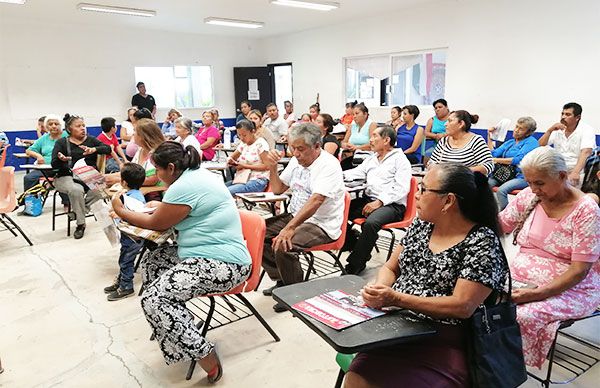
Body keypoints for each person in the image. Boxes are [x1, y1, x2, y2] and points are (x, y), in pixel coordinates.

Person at [345, 163, 507, 388]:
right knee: (356, 379)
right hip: (395, 327)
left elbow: (462, 306)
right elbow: (391, 268)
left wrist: (396, 298)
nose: (416, 196)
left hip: (443, 338)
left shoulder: (481, 241)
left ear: (448, 201)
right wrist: (380, 289)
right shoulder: (421, 225)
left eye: (423, 189)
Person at [111, 141, 251, 383]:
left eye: (158, 170)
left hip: (225, 263)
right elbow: (179, 209)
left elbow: (157, 224)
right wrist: (159, 206)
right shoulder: (193, 176)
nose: (155, 175)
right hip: (204, 253)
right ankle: (178, 327)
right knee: (153, 261)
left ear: (172, 168)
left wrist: (121, 212)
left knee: (154, 298)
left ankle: (205, 356)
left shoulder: (184, 186)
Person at [499, 147, 600, 368]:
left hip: (573, 289)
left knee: (521, 314)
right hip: (523, 280)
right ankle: (487, 363)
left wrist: (536, 293)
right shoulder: (529, 196)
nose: (534, 189)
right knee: (479, 297)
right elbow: (500, 225)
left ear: (562, 176)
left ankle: (509, 370)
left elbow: (579, 270)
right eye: (529, 182)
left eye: (540, 183)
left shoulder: (586, 210)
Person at [260, 123, 345, 312]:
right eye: (292, 148)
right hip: (295, 215)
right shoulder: (296, 161)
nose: (296, 153)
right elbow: (278, 189)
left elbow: (316, 200)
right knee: (259, 234)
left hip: (321, 223)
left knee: (284, 245)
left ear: (317, 146)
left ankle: (296, 294)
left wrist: (289, 228)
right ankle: (282, 280)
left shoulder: (329, 165)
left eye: (300, 149)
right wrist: (272, 168)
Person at [343, 125, 412, 275]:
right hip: (370, 200)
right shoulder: (372, 158)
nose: (371, 140)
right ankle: (356, 244)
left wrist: (380, 201)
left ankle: (355, 265)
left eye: (375, 136)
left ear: (386, 140)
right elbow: (356, 173)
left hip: (392, 205)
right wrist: (336, 174)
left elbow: (402, 188)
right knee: (340, 211)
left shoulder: (400, 160)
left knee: (371, 223)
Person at [51, 114, 111, 239]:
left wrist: (94, 149)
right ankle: (81, 224)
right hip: (66, 176)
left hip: (88, 175)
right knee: (76, 190)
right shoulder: (61, 142)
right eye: (78, 126)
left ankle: (78, 213)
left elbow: (107, 149)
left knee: (101, 188)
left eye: (84, 125)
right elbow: (54, 164)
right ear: (69, 129)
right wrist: (61, 160)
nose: (83, 128)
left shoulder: (91, 140)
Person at [104, 162, 147, 301]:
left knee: (126, 261)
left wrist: (120, 214)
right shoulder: (132, 194)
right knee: (123, 259)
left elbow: (136, 216)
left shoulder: (134, 198)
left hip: (133, 237)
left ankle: (126, 287)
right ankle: (121, 281)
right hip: (128, 236)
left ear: (123, 181)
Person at [538, 102, 596, 187]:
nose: (563, 117)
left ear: (577, 117)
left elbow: (586, 152)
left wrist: (575, 172)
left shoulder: (586, 130)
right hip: (558, 169)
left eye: (568, 114)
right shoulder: (558, 129)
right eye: (562, 114)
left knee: (565, 192)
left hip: (578, 170)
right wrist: (549, 131)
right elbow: (540, 146)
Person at [487, 116, 539, 210]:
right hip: (504, 174)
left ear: (528, 133)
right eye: (516, 127)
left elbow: (518, 159)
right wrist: (489, 136)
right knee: (484, 185)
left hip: (521, 176)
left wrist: (496, 160)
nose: (516, 130)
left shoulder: (531, 142)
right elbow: (493, 154)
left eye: (521, 129)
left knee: (501, 190)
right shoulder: (510, 142)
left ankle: (506, 217)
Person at [105, 118, 164, 192]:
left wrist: (119, 180)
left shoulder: (158, 153)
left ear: (143, 136)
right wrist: (106, 177)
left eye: (135, 131)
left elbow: (152, 180)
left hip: (154, 193)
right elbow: (131, 172)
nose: (133, 134)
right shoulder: (140, 150)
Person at [429, 110, 494, 175]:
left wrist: (459, 172)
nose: (445, 124)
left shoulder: (476, 141)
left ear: (461, 124)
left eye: (450, 121)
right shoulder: (444, 141)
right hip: (443, 182)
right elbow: (431, 162)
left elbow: (488, 165)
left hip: (467, 183)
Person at [23, 115, 68, 194]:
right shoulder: (44, 138)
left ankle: (66, 204)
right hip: (46, 168)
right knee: (29, 178)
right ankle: (32, 202)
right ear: (46, 127)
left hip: (63, 168)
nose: (53, 126)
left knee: (65, 179)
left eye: (56, 124)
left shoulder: (67, 135)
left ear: (61, 125)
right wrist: (38, 156)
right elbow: (29, 150)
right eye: (50, 124)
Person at [225, 119, 270, 196]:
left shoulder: (261, 144)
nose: (242, 138)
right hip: (243, 179)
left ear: (253, 131)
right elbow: (232, 157)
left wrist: (244, 166)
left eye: (244, 135)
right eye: (239, 135)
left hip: (258, 181)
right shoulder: (243, 144)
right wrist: (231, 162)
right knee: (219, 189)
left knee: (226, 192)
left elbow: (267, 166)